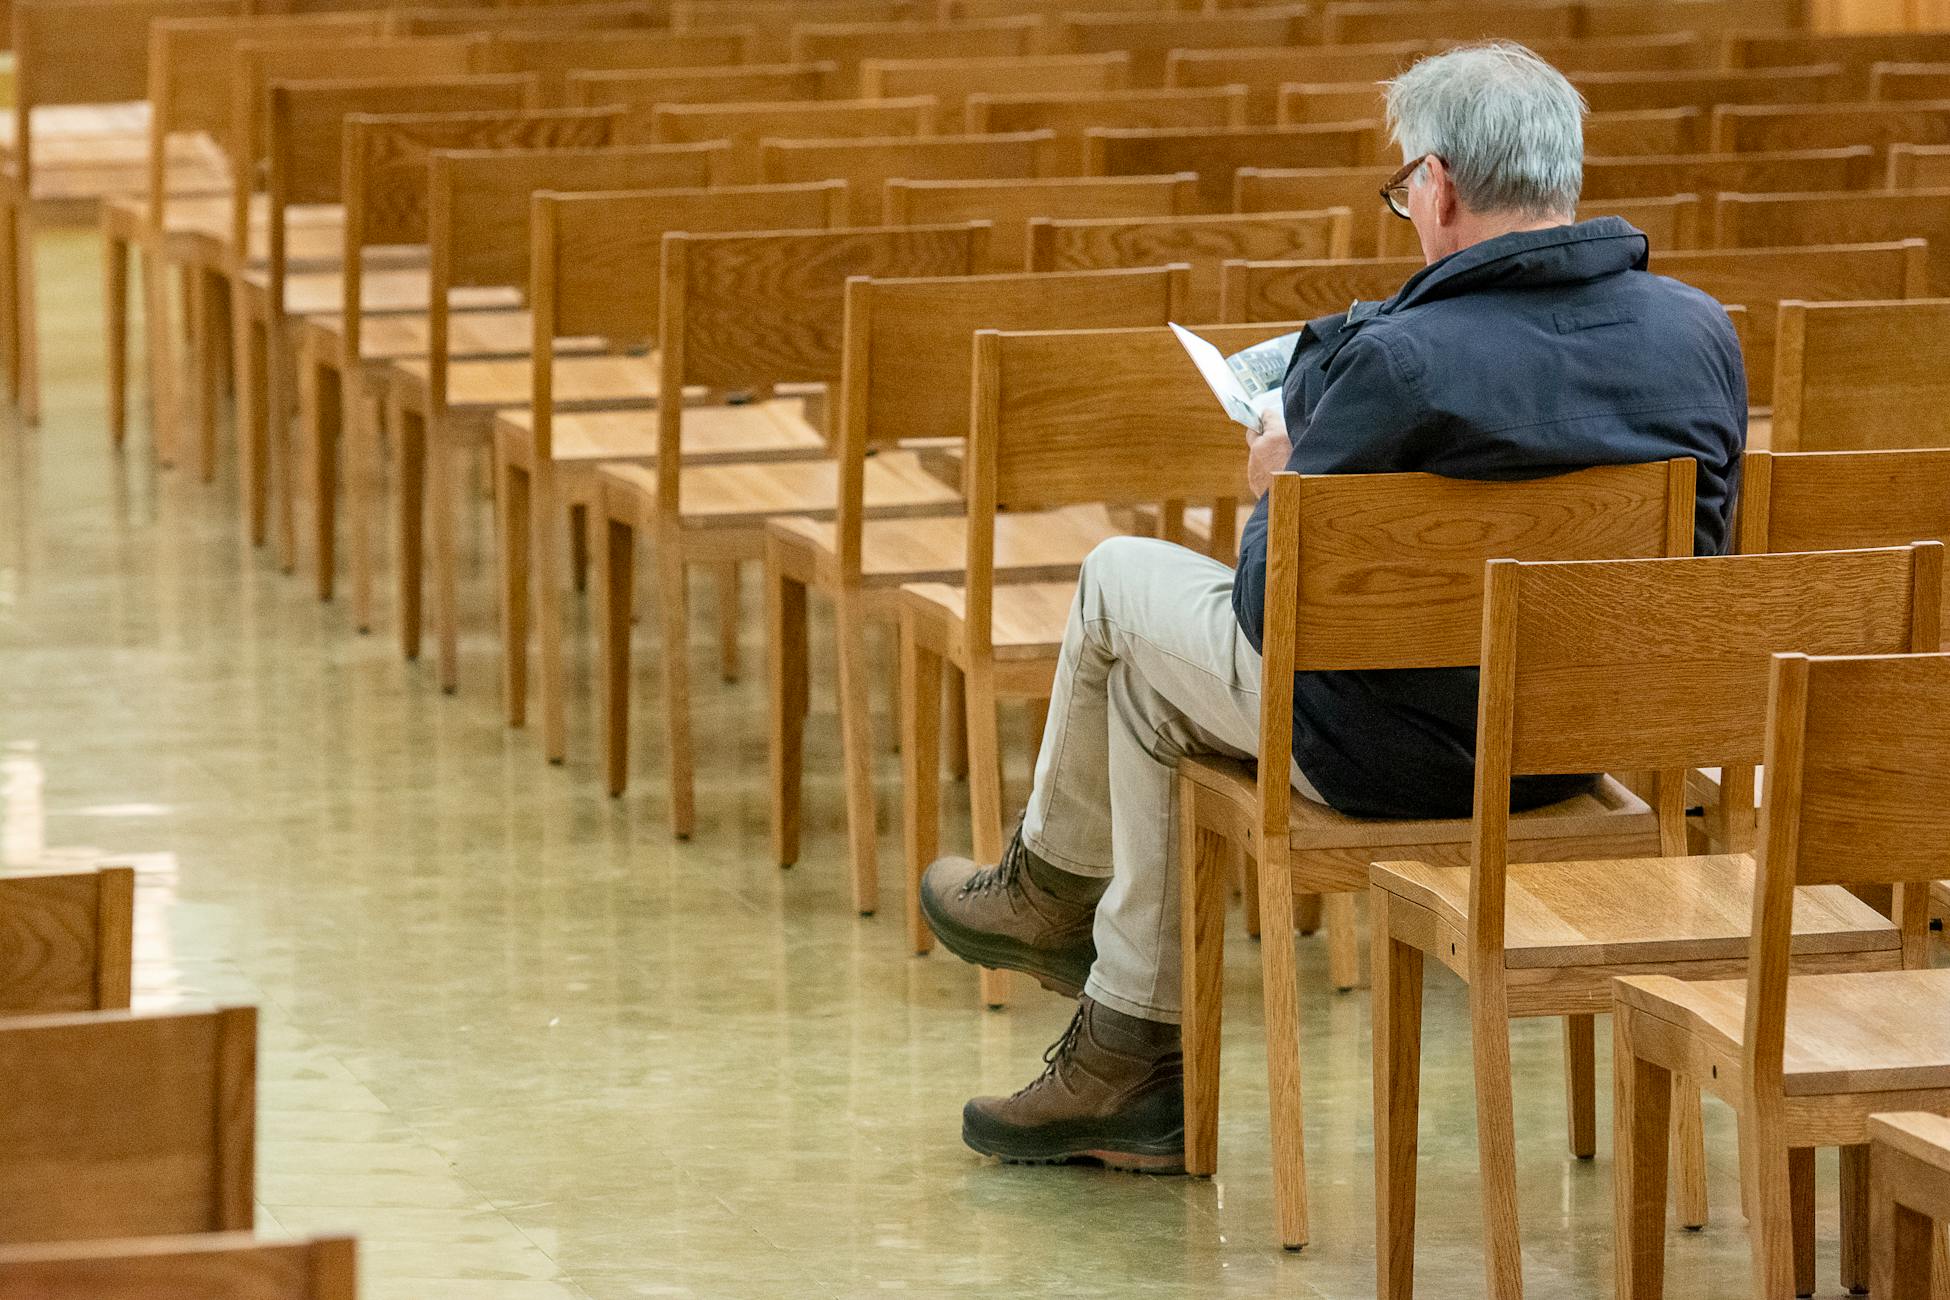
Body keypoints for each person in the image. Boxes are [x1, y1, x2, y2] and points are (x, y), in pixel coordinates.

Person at [917, 42, 1748, 1172]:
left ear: (1440, 183)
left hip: (1382, 756)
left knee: (1118, 582)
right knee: (1155, 700)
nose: (1409, 207)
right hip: (1584, 744)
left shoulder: (1402, 363)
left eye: (1406, 185)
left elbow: (1273, 616)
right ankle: (1109, 1032)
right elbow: (1701, 568)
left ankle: (1063, 919)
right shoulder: (1699, 335)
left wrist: (1278, 483)